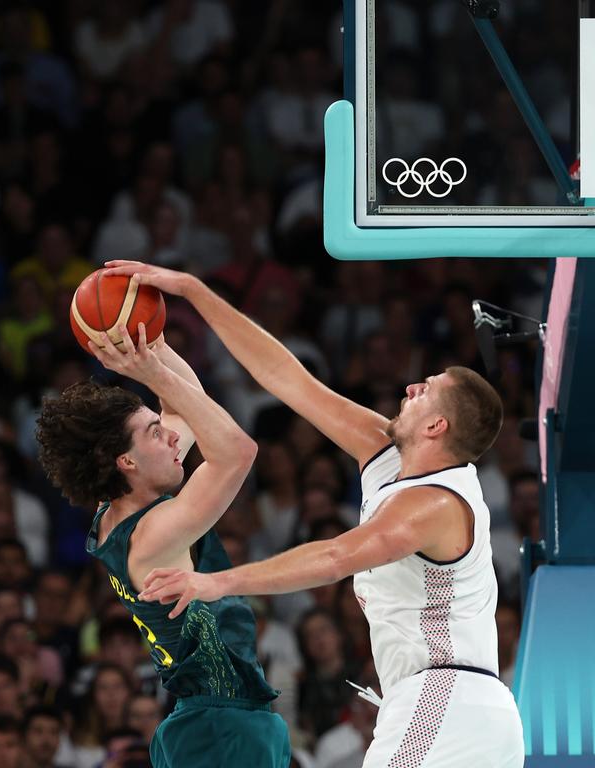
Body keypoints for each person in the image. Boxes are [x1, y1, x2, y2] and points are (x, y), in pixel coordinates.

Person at [105, 262, 524, 767]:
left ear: (437, 425)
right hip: (453, 705)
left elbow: (334, 556)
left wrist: (216, 583)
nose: (412, 387)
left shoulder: (433, 504)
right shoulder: (385, 452)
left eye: (427, 389)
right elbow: (286, 376)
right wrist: (193, 291)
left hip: (447, 698)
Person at [35, 313, 290, 768]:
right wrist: (148, 369)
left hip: (205, 721)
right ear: (126, 461)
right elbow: (237, 451)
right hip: (220, 725)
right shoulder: (152, 535)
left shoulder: (115, 515)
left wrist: (148, 342)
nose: (172, 435)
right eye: (155, 433)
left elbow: (182, 407)